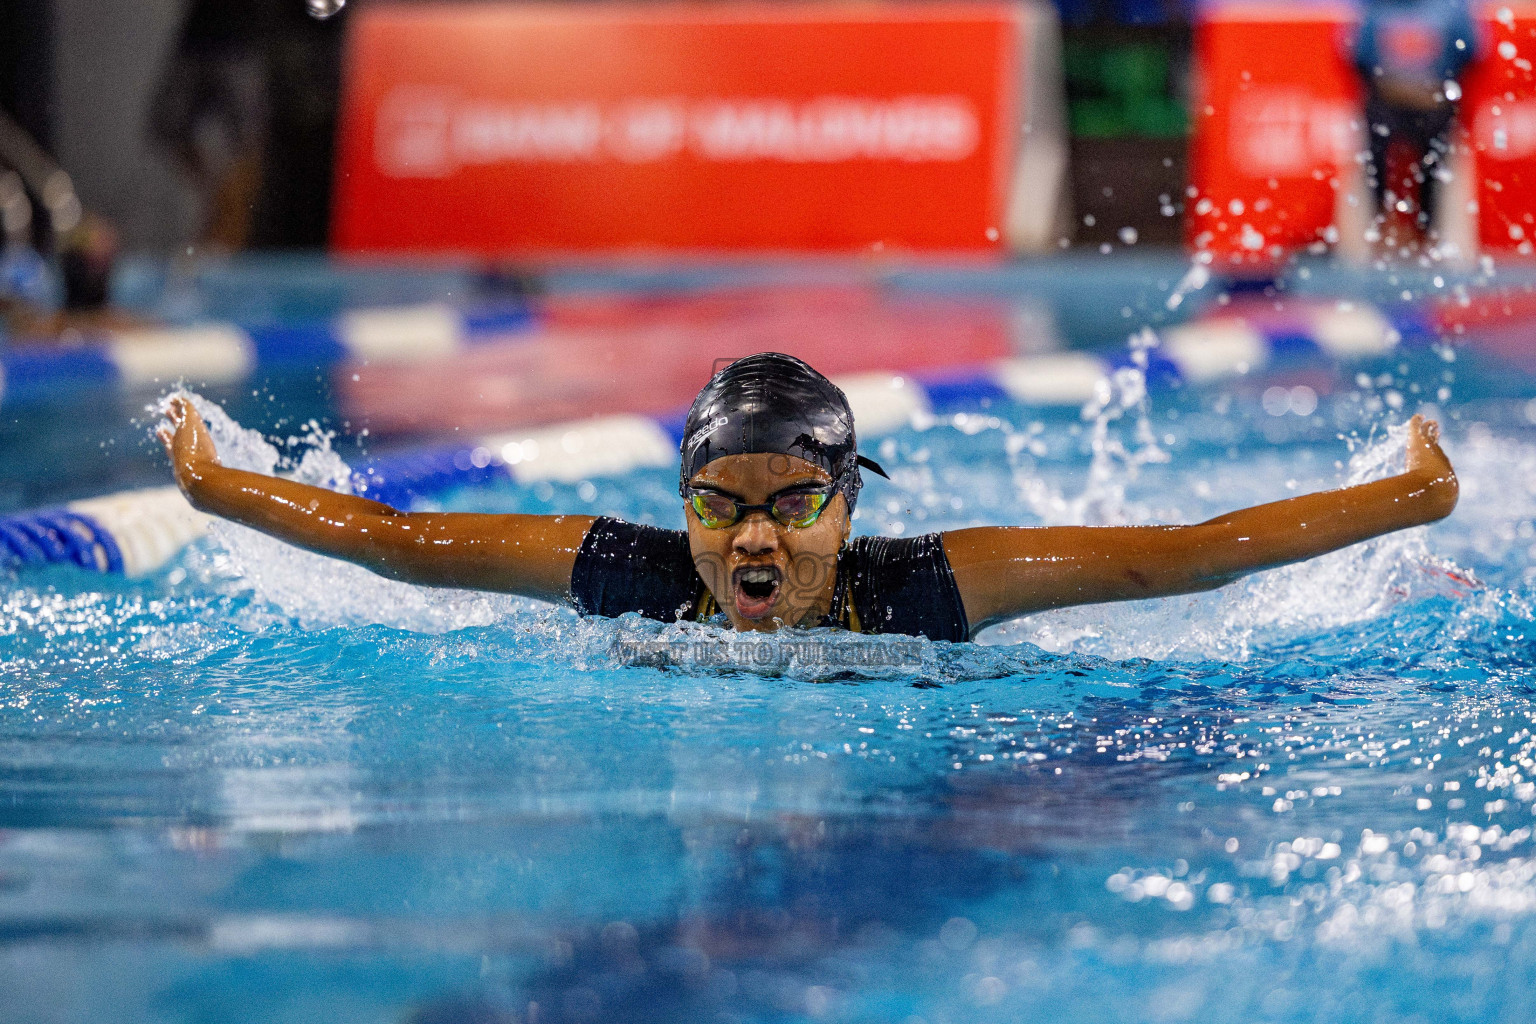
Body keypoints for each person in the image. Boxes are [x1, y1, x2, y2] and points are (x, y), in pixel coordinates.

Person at [158, 352, 1459, 642]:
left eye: (793, 502)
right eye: (721, 507)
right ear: (681, 510)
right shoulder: (636, 575)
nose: (758, 536)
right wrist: (220, 491)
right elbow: (406, 545)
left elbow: (1179, 558)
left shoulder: (924, 589)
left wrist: (1408, 500)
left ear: (849, 504)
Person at [1352, 0, 1478, 240]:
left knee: (1435, 164)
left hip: (1435, 105)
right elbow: (1356, 56)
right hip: (1387, 103)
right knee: (1374, 152)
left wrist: (1437, 90)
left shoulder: (1452, 8)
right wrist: (1396, 89)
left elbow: (1472, 53)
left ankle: (1428, 232)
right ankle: (1380, 227)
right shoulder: (1376, 8)